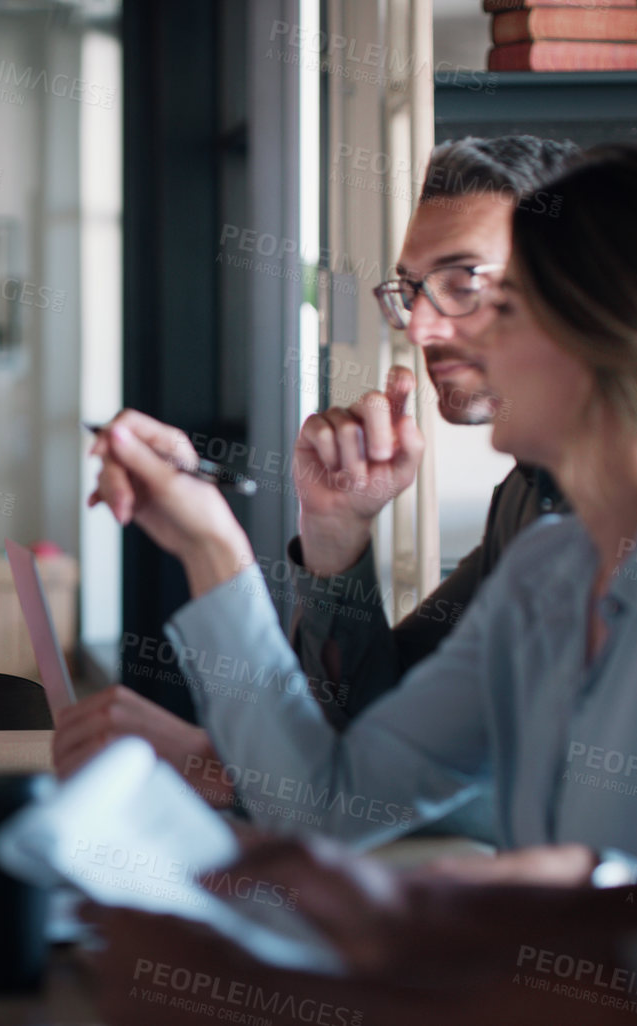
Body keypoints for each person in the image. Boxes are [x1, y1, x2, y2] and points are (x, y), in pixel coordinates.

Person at [90, 4, 637, 1022]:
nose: (435, 334)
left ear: (610, 334)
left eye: (494, 301)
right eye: (415, 292)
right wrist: (206, 540)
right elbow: (331, 801)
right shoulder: (550, 565)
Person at [52, 136, 581, 796]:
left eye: (462, 282)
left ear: (584, 286)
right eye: (410, 291)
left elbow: (374, 797)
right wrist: (335, 537)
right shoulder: (528, 498)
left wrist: (209, 546)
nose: (416, 329)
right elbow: (373, 733)